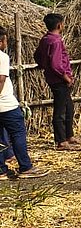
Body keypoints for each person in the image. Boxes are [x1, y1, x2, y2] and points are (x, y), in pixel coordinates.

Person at [0, 26, 46, 178]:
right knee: (18, 133)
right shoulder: (2, 57)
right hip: (6, 104)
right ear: (1, 42)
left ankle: (1, 170)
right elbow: (1, 80)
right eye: (5, 40)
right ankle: (25, 167)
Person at [34, 13, 81, 150]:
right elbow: (56, 64)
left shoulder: (46, 39)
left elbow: (37, 55)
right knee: (60, 110)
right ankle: (61, 141)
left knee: (68, 107)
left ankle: (69, 136)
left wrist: (44, 65)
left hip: (54, 78)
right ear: (59, 25)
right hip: (59, 80)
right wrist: (66, 77)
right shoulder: (55, 41)